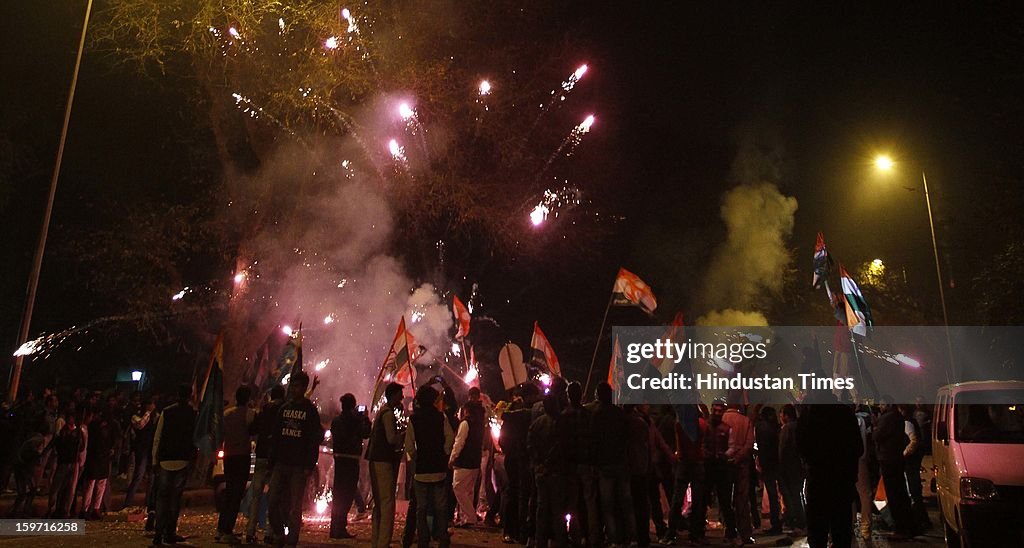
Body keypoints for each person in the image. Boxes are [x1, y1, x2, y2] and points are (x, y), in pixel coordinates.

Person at [797, 391, 862, 548]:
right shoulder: (845, 413)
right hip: (842, 481)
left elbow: (801, 446)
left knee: (817, 533)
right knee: (841, 532)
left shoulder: (809, 415)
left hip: (818, 481)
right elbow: (858, 448)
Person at [268, 371, 323, 548]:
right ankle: (278, 532)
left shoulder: (310, 411)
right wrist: (272, 461)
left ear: (304, 387)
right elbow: (275, 435)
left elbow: (315, 439)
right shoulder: (283, 409)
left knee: (295, 505)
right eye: (292, 385)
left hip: (298, 466)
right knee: (272, 500)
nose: (293, 389)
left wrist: (309, 464)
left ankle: (291, 539)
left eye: (297, 385)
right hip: (281, 463)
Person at [404, 385, 455, 548]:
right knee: (440, 507)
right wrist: (444, 453)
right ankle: (442, 538)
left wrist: (416, 457)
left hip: (421, 470)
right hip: (438, 468)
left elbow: (409, 445)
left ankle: (423, 539)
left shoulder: (413, 419)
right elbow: (450, 438)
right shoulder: (441, 417)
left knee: (421, 508)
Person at [152, 384, 198, 546]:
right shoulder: (193, 414)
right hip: (182, 459)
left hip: (165, 459)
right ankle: (169, 531)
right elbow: (195, 438)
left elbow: (158, 437)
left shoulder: (167, 412)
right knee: (174, 498)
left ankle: (158, 532)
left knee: (162, 497)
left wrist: (154, 459)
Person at [590, 382, 635, 546]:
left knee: (607, 504)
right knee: (625, 502)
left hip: (605, 465)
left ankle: (614, 538)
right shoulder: (620, 414)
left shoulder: (597, 415)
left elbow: (594, 442)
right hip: (621, 463)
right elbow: (627, 438)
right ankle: (631, 537)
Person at [366, 382, 406, 548]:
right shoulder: (388, 413)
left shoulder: (382, 411)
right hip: (383, 460)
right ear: (393, 395)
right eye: (400, 394)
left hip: (376, 459)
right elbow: (391, 439)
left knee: (380, 503)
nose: (402, 397)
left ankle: (377, 541)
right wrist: (403, 434)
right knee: (387, 502)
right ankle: (383, 542)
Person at [662, 404, 707, 545]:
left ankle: (671, 533)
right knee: (697, 501)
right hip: (697, 463)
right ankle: (695, 535)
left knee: (677, 501)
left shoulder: (680, 425)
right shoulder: (701, 424)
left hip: (684, 464)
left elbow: (680, 448)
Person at [529, 393, 570, 548]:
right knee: (557, 510)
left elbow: (530, 446)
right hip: (556, 472)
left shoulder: (537, 423)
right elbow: (562, 447)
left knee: (542, 509)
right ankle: (558, 541)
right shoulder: (562, 423)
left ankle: (540, 541)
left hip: (541, 472)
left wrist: (538, 463)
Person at [216, 385, 255, 543]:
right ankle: (227, 530)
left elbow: (221, 435)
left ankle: (221, 528)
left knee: (230, 492)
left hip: (229, 456)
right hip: (242, 457)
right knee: (236, 495)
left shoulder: (226, 414)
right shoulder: (250, 414)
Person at [874, 396, 916, 540]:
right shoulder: (898, 417)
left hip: (888, 459)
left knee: (894, 494)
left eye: (882, 404)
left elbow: (876, 435)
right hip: (896, 458)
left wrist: (875, 425)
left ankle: (900, 528)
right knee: (901, 492)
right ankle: (908, 526)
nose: (880, 406)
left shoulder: (887, 418)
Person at [247, 385, 285, 544]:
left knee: (256, 495)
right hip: (275, 459)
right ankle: (270, 532)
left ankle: (250, 531)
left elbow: (253, 429)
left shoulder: (263, 411)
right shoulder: (283, 411)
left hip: (261, 455)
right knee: (274, 496)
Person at [331, 393, 371, 539]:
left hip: (339, 459)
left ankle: (334, 528)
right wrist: (365, 418)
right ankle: (340, 528)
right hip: (351, 459)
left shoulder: (336, 421)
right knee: (347, 495)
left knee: (338, 494)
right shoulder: (356, 420)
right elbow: (366, 434)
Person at [721, 402, 755, 546]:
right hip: (742, 465)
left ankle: (729, 531)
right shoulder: (745, 420)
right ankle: (745, 533)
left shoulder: (721, 418)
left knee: (725, 498)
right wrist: (739, 456)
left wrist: (727, 457)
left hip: (724, 464)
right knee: (742, 499)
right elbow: (749, 444)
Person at [450, 400, 485, 527]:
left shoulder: (465, 423)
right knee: (468, 491)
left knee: (458, 488)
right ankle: (467, 518)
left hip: (464, 461)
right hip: (475, 461)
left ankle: (470, 517)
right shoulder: (480, 424)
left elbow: (459, 443)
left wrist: (453, 457)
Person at [625, 405, 654, 548]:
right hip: (640, 468)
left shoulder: (625, 423)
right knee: (641, 504)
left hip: (630, 469)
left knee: (630, 504)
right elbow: (648, 446)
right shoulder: (641, 422)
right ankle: (643, 536)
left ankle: (633, 535)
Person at [122, 398, 158, 509]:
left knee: (152, 477)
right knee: (138, 475)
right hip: (141, 449)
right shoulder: (136, 416)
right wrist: (147, 413)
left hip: (151, 449)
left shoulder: (155, 416)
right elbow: (140, 425)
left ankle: (148, 504)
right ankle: (128, 503)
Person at [81, 408, 115, 520]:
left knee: (101, 484)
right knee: (92, 484)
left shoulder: (108, 427)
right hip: (95, 458)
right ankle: (86, 509)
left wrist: (111, 449)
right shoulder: (94, 427)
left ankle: (95, 508)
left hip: (103, 458)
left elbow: (112, 440)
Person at [48, 412, 83, 518]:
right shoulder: (62, 432)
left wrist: (79, 442)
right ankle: (52, 509)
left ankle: (65, 510)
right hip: (63, 463)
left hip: (73, 462)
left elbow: (81, 447)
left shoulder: (78, 432)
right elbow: (58, 446)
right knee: (57, 487)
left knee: (69, 488)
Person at [777, 404, 806, 533]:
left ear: (786, 416)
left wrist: (780, 465)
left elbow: (782, 449)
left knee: (790, 495)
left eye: (781, 414)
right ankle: (800, 520)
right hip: (798, 466)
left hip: (788, 466)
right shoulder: (800, 426)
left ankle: (796, 521)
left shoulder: (786, 429)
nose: (780, 417)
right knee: (797, 494)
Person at [755, 406, 783, 534]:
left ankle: (775, 522)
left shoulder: (761, 427)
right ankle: (778, 521)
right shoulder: (776, 428)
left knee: (772, 493)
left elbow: (761, 446)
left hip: (767, 463)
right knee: (777, 494)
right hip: (776, 463)